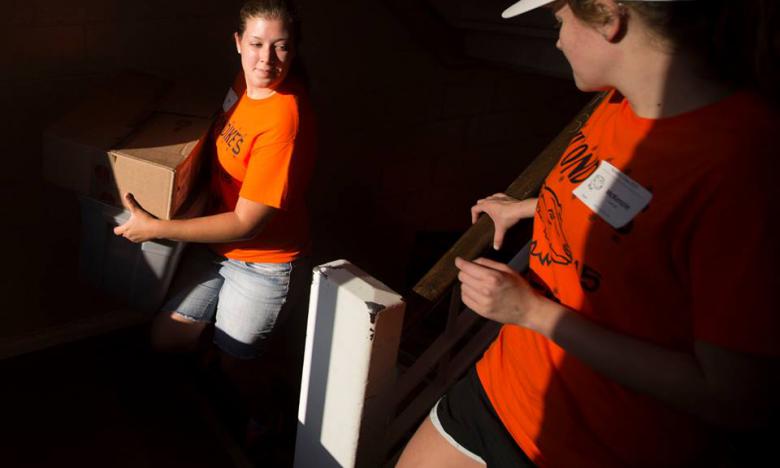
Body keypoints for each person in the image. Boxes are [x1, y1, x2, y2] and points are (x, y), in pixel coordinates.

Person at [398, 0, 779, 466]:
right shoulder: (620, 101)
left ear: (608, 15)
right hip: (502, 387)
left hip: (594, 446)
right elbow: (638, 206)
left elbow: (732, 397)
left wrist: (532, 312)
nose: (556, 39)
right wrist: (535, 206)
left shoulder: (742, 165)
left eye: (559, 19)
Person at [114, 0, 315, 440]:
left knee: (238, 361)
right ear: (238, 43)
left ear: (295, 49)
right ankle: (218, 355)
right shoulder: (243, 83)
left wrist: (156, 227)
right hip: (216, 247)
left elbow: (247, 224)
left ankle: (267, 417)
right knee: (166, 338)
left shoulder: (285, 119)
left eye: (281, 47)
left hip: (263, 262)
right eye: (257, 44)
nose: (267, 59)